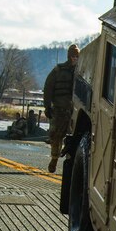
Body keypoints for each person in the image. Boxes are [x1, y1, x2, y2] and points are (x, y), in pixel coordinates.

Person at [43, 43, 79, 173]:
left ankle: (69, 163)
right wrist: (47, 106)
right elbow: (48, 88)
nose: (75, 58)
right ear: (69, 56)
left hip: (74, 111)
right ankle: (54, 159)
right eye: (73, 56)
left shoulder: (80, 72)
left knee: (72, 138)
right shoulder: (58, 71)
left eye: (77, 56)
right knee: (56, 136)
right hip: (59, 109)